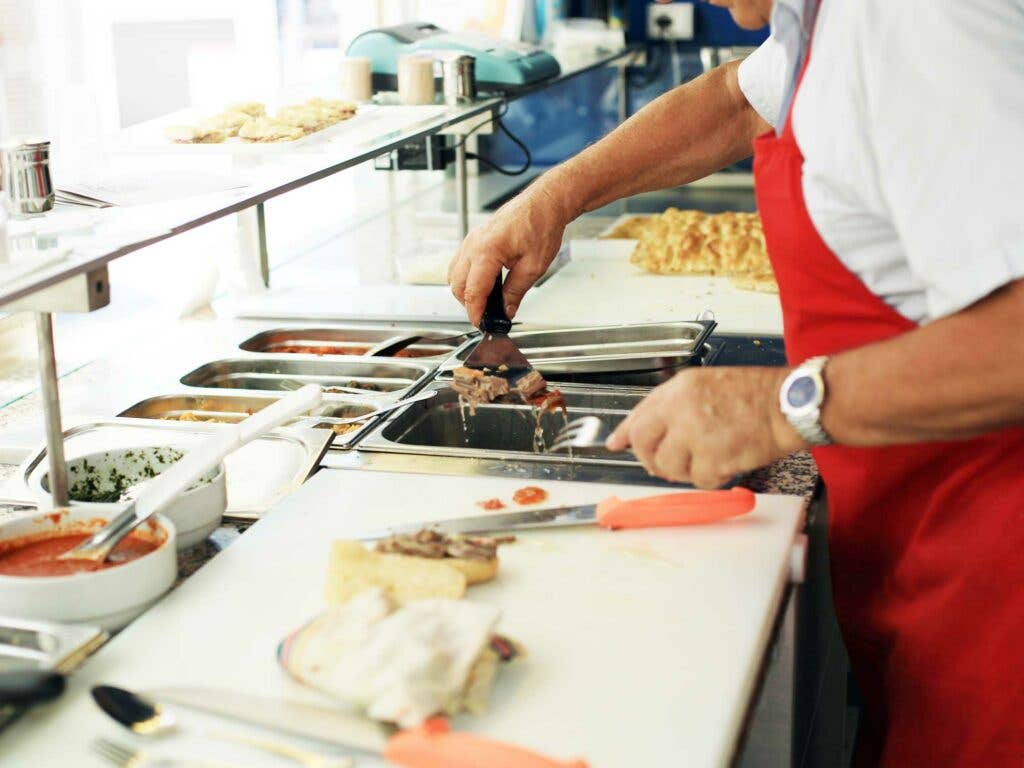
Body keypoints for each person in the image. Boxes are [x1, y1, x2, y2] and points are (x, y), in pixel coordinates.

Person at [447, 0, 1024, 764]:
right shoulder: (824, 22)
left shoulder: (915, 21)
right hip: (922, 546)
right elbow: (729, 103)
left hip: (999, 579)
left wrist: (780, 404)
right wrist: (551, 200)